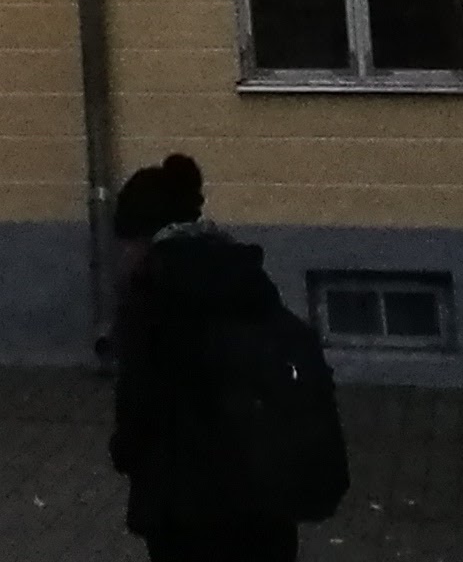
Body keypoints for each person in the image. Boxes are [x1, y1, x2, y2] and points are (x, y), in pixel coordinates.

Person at [106, 153, 341, 562]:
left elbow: (138, 403)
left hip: (187, 506)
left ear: (142, 236)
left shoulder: (151, 295)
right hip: (263, 495)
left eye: (125, 243)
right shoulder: (241, 271)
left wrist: (124, 452)